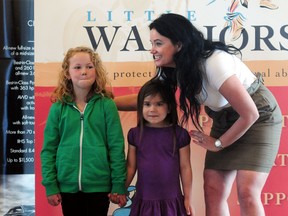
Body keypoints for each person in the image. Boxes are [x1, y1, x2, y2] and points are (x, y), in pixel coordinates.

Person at [115, 13, 282, 216]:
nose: (153, 50)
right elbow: (144, 99)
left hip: (258, 117)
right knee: (213, 189)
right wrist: (104, 103)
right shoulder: (172, 69)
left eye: (158, 43)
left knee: (247, 192)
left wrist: (218, 143)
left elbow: (249, 114)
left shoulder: (213, 62)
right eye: (152, 43)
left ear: (179, 44)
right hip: (224, 119)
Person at [40, 46, 127, 216]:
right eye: (77, 67)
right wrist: (50, 185)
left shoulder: (107, 105)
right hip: (67, 187)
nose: (84, 71)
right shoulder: (58, 108)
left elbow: (116, 147)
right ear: (67, 73)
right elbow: (48, 150)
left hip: (99, 186)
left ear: (97, 70)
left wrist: (118, 184)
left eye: (89, 66)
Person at [125, 79, 195, 216]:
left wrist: (187, 198)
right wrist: (121, 190)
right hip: (143, 200)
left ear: (169, 107)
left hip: (171, 202)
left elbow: (185, 167)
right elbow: (130, 167)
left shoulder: (180, 135)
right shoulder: (135, 134)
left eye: (159, 104)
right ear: (140, 107)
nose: (152, 109)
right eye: (147, 104)